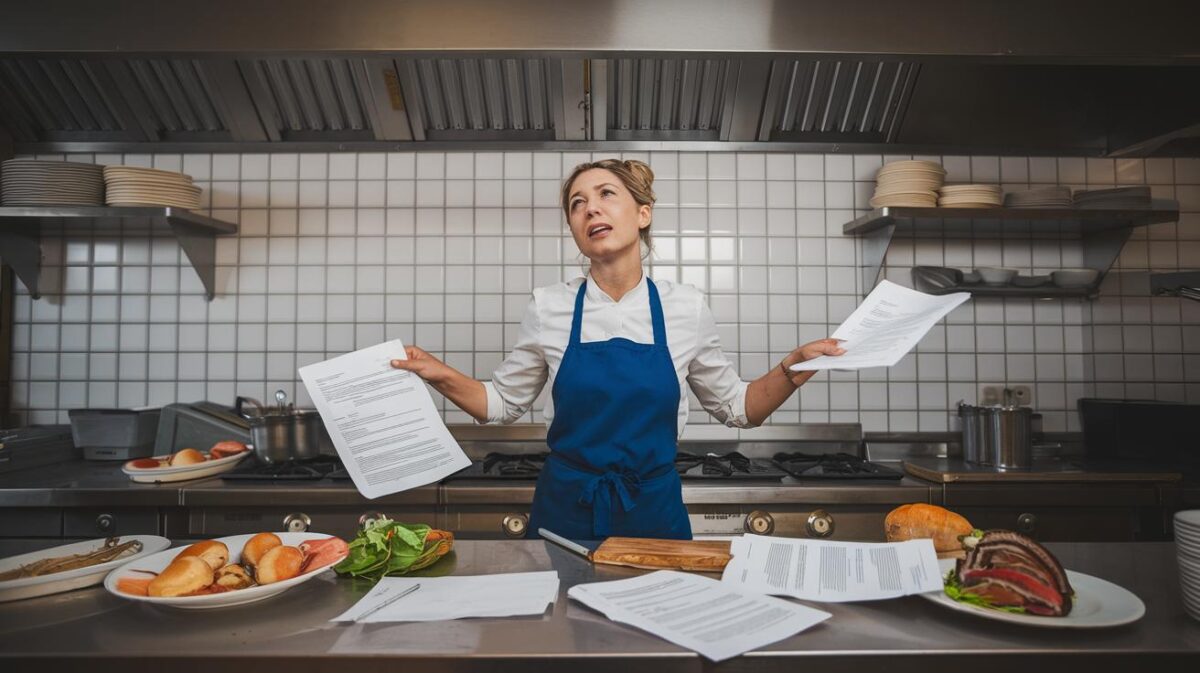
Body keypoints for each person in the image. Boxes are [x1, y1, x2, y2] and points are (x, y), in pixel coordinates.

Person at [390, 158, 845, 540]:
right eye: (577, 203)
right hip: (565, 507)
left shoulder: (685, 306)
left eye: (606, 194)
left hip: (653, 509)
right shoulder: (549, 305)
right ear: (573, 227)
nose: (590, 209)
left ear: (642, 214)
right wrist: (438, 373)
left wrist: (789, 370)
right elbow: (502, 404)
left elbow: (737, 408)